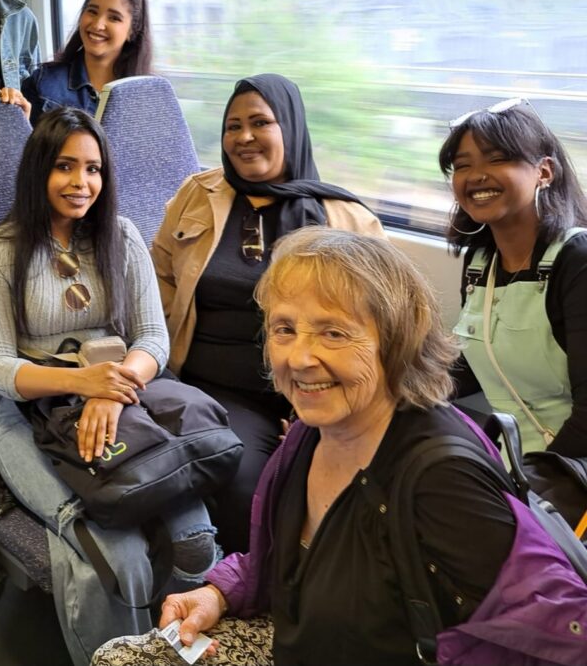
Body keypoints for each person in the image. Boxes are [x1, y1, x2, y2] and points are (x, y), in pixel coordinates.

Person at [93, 228, 587, 666]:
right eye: (284, 329)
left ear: (396, 339)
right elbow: (290, 558)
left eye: (333, 332)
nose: (300, 358)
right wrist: (221, 592)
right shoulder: (310, 433)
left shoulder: (441, 480)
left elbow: (564, 631)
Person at [0, 107, 217, 666]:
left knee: (197, 536)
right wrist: (83, 380)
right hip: (31, 414)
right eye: (65, 167)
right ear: (38, 172)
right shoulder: (1, 250)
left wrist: (109, 389)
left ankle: (172, 648)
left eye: (94, 169)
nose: (82, 183)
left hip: (123, 398)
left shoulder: (119, 235)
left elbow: (154, 338)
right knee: (118, 560)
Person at [151, 73, 383, 553]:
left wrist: (317, 406)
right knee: (246, 484)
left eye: (260, 122)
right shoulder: (197, 196)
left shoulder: (347, 220)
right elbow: (157, 280)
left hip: (312, 386)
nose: (244, 137)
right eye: (232, 126)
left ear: (291, 127)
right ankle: (244, 601)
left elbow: (381, 328)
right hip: (215, 385)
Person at [441, 99, 587, 456]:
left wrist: (534, 492)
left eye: (497, 159)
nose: (476, 175)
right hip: (516, 462)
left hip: (569, 468)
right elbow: (478, 365)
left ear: (545, 172)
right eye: (463, 165)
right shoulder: (480, 262)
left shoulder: (576, 260)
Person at [21, 0, 151, 124]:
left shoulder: (148, 94)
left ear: (132, 31)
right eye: (92, 11)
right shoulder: (44, 82)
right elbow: (27, 147)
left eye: (114, 18)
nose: (98, 25)